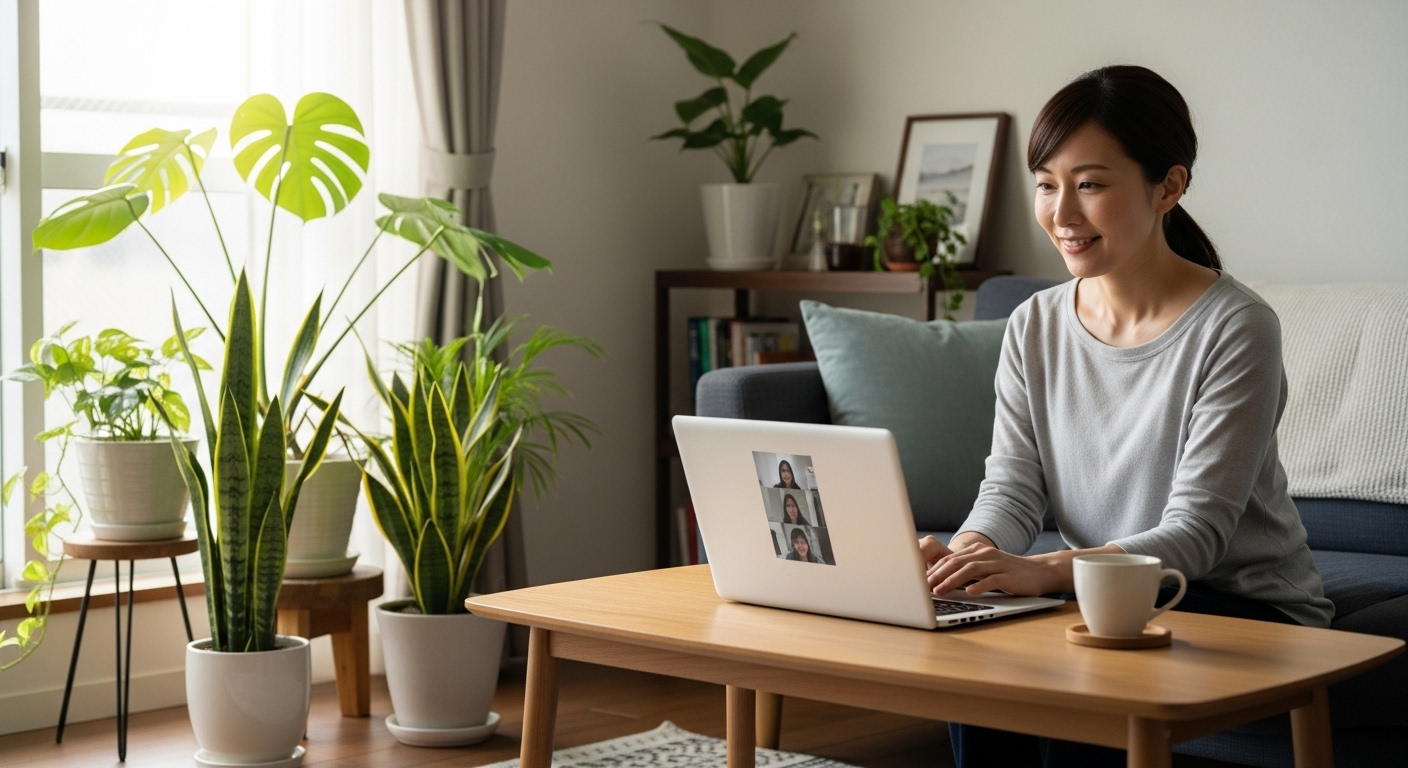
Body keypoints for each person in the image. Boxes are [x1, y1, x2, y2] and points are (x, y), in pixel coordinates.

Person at [919, 65, 1333, 768]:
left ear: (1168, 186)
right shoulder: (1035, 325)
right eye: (1047, 184)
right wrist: (965, 561)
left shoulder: (1236, 327)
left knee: (1072, 659)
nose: (1062, 213)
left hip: (1236, 604)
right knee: (980, 642)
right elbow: (1013, 491)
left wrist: (1045, 571)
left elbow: (1195, 536)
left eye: (1091, 184)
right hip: (1107, 595)